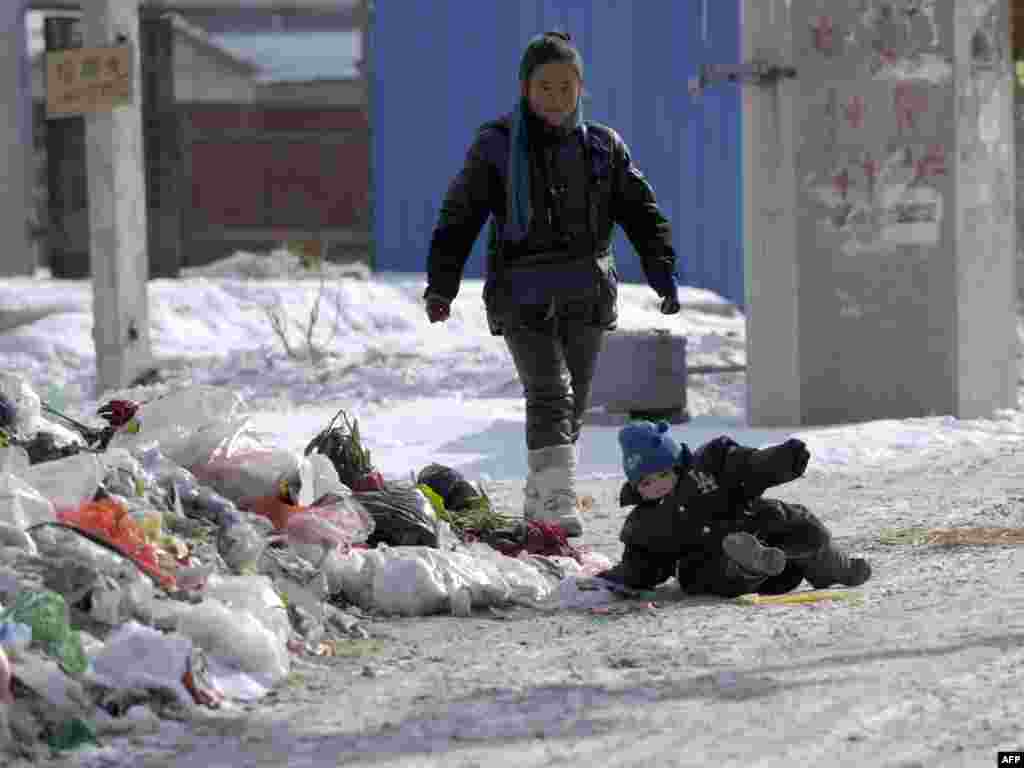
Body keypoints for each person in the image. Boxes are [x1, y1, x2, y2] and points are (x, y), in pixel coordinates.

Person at [423, 31, 681, 537]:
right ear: (525, 88)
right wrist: (441, 286)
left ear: (580, 88)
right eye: (545, 87)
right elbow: (460, 216)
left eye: (566, 87)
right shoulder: (497, 145)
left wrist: (662, 274)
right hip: (521, 292)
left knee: (575, 399)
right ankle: (559, 496)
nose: (556, 99)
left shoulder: (603, 147)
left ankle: (542, 498)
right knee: (549, 392)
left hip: (586, 290)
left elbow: (642, 214)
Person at [597, 421, 872, 597]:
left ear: (677, 465)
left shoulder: (708, 467)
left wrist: (777, 460)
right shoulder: (647, 521)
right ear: (635, 487)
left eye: (661, 475)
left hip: (757, 531)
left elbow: (746, 465)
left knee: (796, 521)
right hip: (711, 566)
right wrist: (623, 578)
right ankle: (751, 562)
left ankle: (841, 569)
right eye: (645, 482)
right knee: (709, 569)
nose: (655, 485)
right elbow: (642, 563)